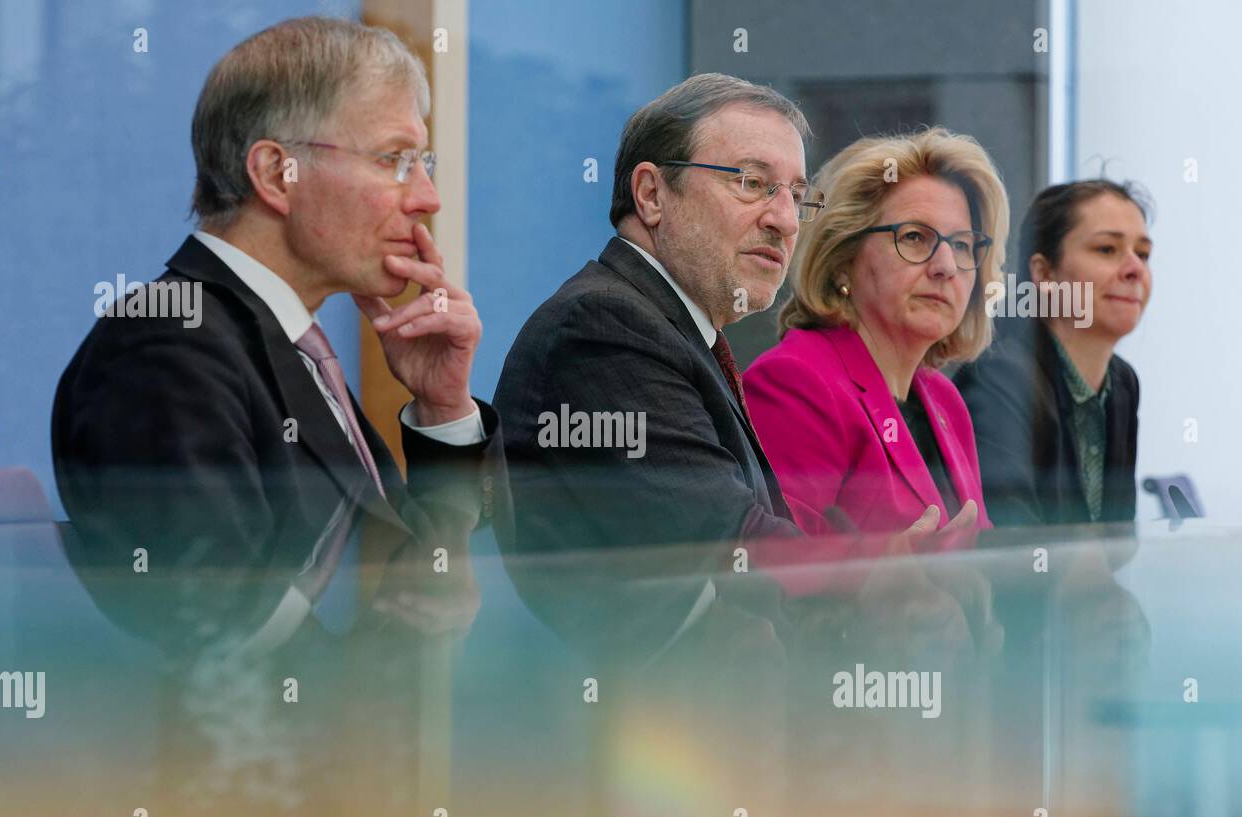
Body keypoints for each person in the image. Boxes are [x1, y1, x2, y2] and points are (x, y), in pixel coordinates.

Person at [51, 17, 504, 571]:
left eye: (422, 164)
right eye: (394, 160)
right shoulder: (162, 347)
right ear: (275, 173)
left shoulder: (290, 347)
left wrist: (441, 410)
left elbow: (411, 576)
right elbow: (222, 626)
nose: (427, 198)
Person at [493, 73, 814, 555]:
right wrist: (870, 580)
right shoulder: (601, 325)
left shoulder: (672, 328)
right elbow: (730, 544)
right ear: (651, 195)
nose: (785, 220)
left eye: (797, 195)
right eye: (753, 183)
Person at [744, 128, 1006, 535]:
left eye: (962, 245)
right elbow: (781, 573)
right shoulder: (795, 383)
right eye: (916, 238)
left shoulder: (945, 400)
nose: (946, 267)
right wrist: (888, 578)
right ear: (843, 259)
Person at [955, 180, 1151, 526]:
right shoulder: (998, 379)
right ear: (1044, 274)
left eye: (1143, 253)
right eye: (1107, 249)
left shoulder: (1123, 382)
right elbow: (1011, 548)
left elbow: (1115, 544)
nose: (1136, 269)